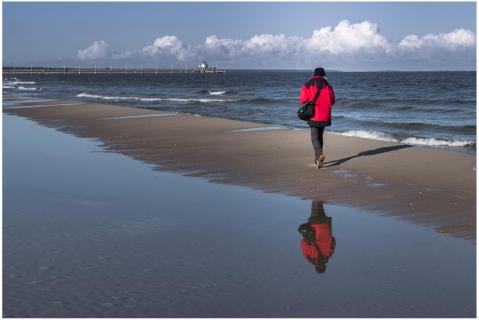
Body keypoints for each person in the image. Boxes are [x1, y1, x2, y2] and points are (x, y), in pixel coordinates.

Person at [299, 68, 336, 168]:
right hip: (325, 114)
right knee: (320, 136)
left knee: (314, 136)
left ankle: (319, 155)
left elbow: (302, 100)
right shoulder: (328, 85)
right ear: (323, 75)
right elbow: (332, 101)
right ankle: (318, 159)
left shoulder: (308, 84)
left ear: (314, 74)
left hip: (314, 113)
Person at [298, 200, 336, 273]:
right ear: (315, 267)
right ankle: (318, 191)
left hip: (325, 226)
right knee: (315, 202)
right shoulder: (310, 258)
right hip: (314, 226)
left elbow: (333, 240)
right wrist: (310, 241)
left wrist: (326, 238)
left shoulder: (328, 256)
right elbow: (303, 243)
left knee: (320, 205)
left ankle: (321, 197)